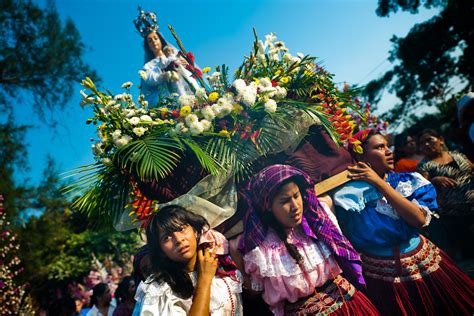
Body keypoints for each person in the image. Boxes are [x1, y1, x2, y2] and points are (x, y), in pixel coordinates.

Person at [332, 128, 473, 315]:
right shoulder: (346, 198)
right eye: (380, 147)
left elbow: (419, 220)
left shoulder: (409, 181)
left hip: (423, 263)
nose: (389, 151)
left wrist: (379, 183)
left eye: (386, 146)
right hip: (381, 276)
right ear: (360, 156)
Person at [234, 164, 379, 316]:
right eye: (284, 201)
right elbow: (254, 293)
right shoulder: (262, 251)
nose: (295, 206)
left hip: (351, 306)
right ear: (268, 206)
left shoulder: (319, 221)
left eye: (296, 196)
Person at [133, 205, 243, 315]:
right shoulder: (161, 289)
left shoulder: (221, 269)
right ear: (161, 250)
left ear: (195, 231)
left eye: (181, 229)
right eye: (166, 237)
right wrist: (204, 280)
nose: (179, 240)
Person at [417, 128, 474, 259]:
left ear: (441, 140)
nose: (426, 144)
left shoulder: (457, 155)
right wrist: (433, 180)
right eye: (422, 143)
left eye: (429, 140)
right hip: (454, 216)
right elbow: (421, 189)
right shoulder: (424, 166)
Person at [134, 9, 200, 107]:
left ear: (160, 40)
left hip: (184, 89)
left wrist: (183, 64)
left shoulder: (174, 54)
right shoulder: (149, 65)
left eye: (155, 38)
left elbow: (188, 70)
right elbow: (148, 79)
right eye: (150, 41)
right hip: (167, 96)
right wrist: (162, 76)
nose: (154, 42)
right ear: (148, 45)